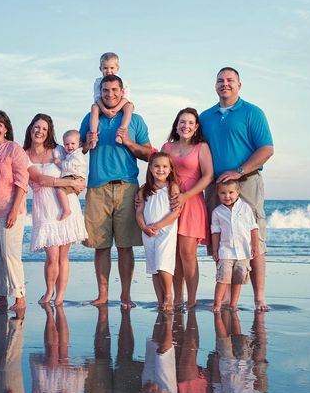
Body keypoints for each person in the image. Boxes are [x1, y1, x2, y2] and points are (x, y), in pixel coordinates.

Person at [200, 67, 274, 312]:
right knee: (222, 240)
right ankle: (229, 301)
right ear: (215, 85)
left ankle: (259, 298)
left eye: (230, 80)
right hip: (216, 186)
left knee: (255, 239)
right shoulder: (206, 116)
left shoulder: (252, 112)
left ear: (239, 85)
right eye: (220, 80)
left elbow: (266, 149)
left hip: (247, 182)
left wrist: (240, 171)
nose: (225, 84)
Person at [80, 74, 154, 309]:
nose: (110, 94)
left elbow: (149, 154)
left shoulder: (135, 120)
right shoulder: (90, 118)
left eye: (114, 90)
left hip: (127, 187)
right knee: (100, 246)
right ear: (99, 92)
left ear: (123, 91)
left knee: (125, 246)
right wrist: (86, 142)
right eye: (105, 90)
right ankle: (102, 295)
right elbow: (79, 149)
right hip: (97, 187)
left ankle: (125, 296)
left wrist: (130, 143)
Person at [24, 114, 87, 305]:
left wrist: (79, 181)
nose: (40, 131)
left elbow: (76, 165)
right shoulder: (23, 154)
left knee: (63, 256)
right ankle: (49, 291)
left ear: (49, 131)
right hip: (44, 208)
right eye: (36, 127)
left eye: (44, 128)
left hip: (65, 205)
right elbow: (39, 179)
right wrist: (69, 181)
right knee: (51, 256)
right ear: (30, 128)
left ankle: (59, 295)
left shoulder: (58, 150)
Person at [161, 108, 213, 311]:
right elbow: (159, 171)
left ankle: (191, 300)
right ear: (176, 125)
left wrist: (185, 196)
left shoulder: (202, 147)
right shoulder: (167, 146)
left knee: (187, 253)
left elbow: (207, 176)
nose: (186, 126)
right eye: (182, 122)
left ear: (196, 127)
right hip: (169, 202)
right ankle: (177, 298)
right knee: (172, 254)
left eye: (191, 123)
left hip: (191, 202)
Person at [0, 110, 30, 311]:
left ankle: (19, 297)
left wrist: (14, 210)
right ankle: (1, 296)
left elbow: (22, 182)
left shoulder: (14, 150)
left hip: (10, 210)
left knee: (10, 254)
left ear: (6, 128)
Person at [136, 153, 182, 313]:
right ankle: (160, 300)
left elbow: (176, 212)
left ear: (170, 170)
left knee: (163, 265)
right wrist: (144, 227)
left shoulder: (172, 187)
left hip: (166, 231)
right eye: (157, 166)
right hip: (148, 233)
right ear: (150, 168)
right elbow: (139, 212)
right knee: (154, 267)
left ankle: (169, 296)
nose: (160, 169)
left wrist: (159, 225)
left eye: (164, 166)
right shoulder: (144, 189)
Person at [210, 180, 260, 313]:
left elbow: (253, 228)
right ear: (218, 194)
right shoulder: (217, 212)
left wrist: (255, 246)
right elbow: (215, 232)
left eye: (231, 192)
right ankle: (217, 303)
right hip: (225, 252)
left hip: (243, 252)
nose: (227, 196)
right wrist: (215, 249)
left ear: (238, 192)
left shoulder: (245, 208)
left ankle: (233, 304)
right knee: (222, 279)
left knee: (238, 279)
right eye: (223, 193)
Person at [87, 52, 135, 148]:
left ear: (117, 68)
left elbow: (126, 97)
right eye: (105, 68)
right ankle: (94, 136)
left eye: (112, 68)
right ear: (100, 68)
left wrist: (116, 109)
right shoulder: (98, 82)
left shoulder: (122, 81)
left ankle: (121, 132)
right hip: (102, 106)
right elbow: (97, 97)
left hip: (120, 104)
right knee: (94, 107)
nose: (108, 71)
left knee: (129, 106)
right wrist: (105, 110)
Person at [54, 129, 88, 221]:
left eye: (73, 144)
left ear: (79, 144)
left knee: (59, 190)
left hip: (74, 177)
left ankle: (66, 210)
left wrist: (59, 163)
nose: (70, 146)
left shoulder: (78, 155)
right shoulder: (70, 154)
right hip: (73, 177)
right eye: (67, 144)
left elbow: (69, 166)